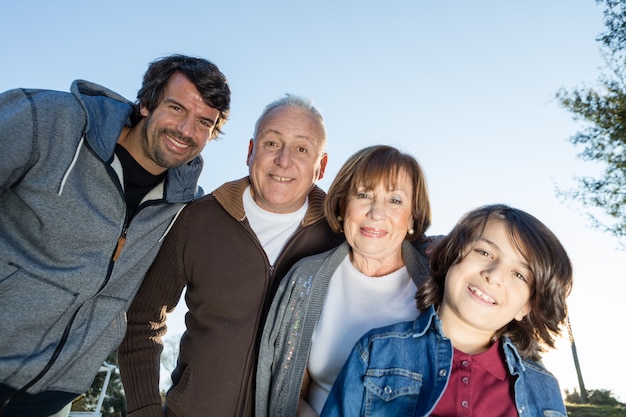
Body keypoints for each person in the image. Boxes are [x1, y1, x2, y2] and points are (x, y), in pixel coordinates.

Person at [0, 55, 231, 417]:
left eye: (204, 122)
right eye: (176, 108)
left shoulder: (186, 207)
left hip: (50, 396)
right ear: (145, 103)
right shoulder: (48, 120)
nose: (187, 130)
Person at [117, 94, 346, 417]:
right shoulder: (197, 220)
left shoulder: (341, 234)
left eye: (301, 149)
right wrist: (144, 409)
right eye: (271, 143)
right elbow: (142, 319)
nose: (283, 160)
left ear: (320, 167)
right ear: (251, 151)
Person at [321, 204, 573, 417]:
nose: (494, 275)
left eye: (519, 274)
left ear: (527, 307)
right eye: (484, 252)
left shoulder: (543, 387)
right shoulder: (377, 351)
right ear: (453, 256)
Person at [256, 145, 433, 417]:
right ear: (342, 205)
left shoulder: (438, 285)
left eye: (395, 200)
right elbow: (289, 393)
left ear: (413, 216)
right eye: (364, 195)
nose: (376, 212)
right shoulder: (305, 281)